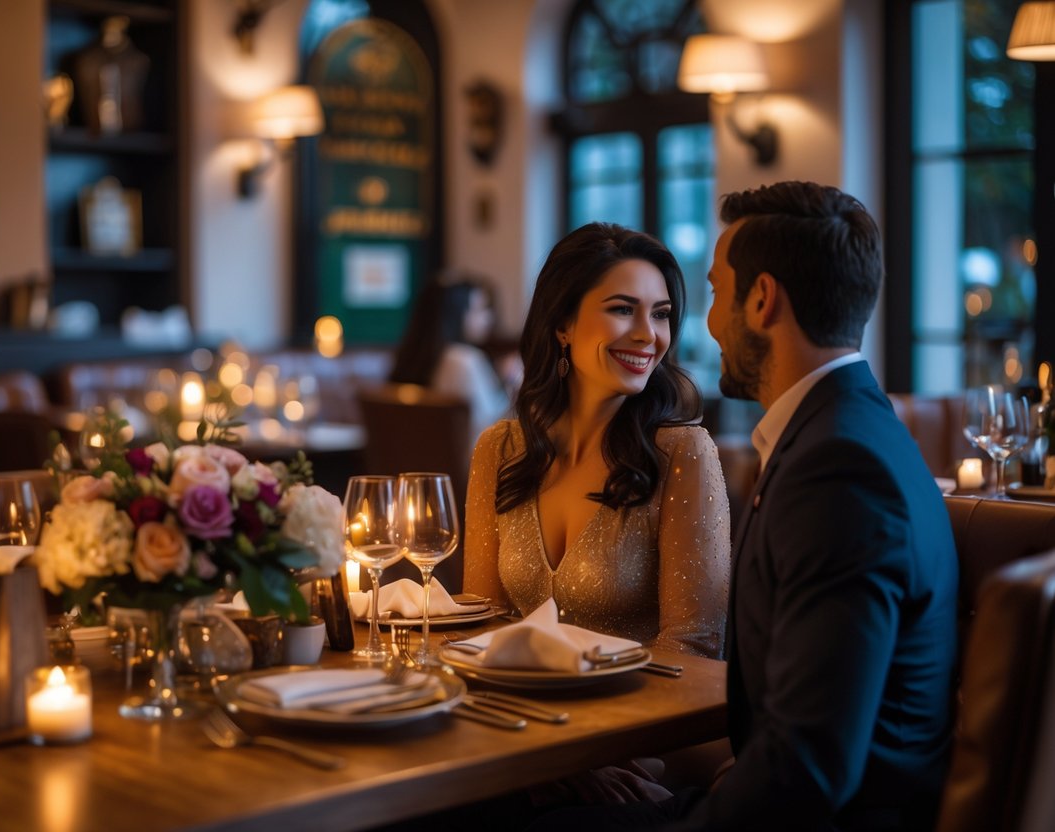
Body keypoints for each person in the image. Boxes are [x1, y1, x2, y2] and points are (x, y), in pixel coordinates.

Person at [536, 183, 960, 832]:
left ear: (759, 300)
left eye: (711, 293)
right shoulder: (843, 435)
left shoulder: (838, 469)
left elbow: (810, 771)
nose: (702, 324)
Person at [463, 222, 730, 655]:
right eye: (623, 309)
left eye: (661, 314)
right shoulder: (500, 448)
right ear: (563, 323)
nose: (648, 334)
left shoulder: (683, 453)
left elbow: (693, 645)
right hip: (513, 712)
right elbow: (481, 619)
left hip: (634, 716)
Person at [389, 272, 515, 448]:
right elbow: (490, 432)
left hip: (418, 467)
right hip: (469, 470)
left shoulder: (412, 358)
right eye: (479, 309)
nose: (488, 318)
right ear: (456, 314)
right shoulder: (464, 360)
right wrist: (513, 381)